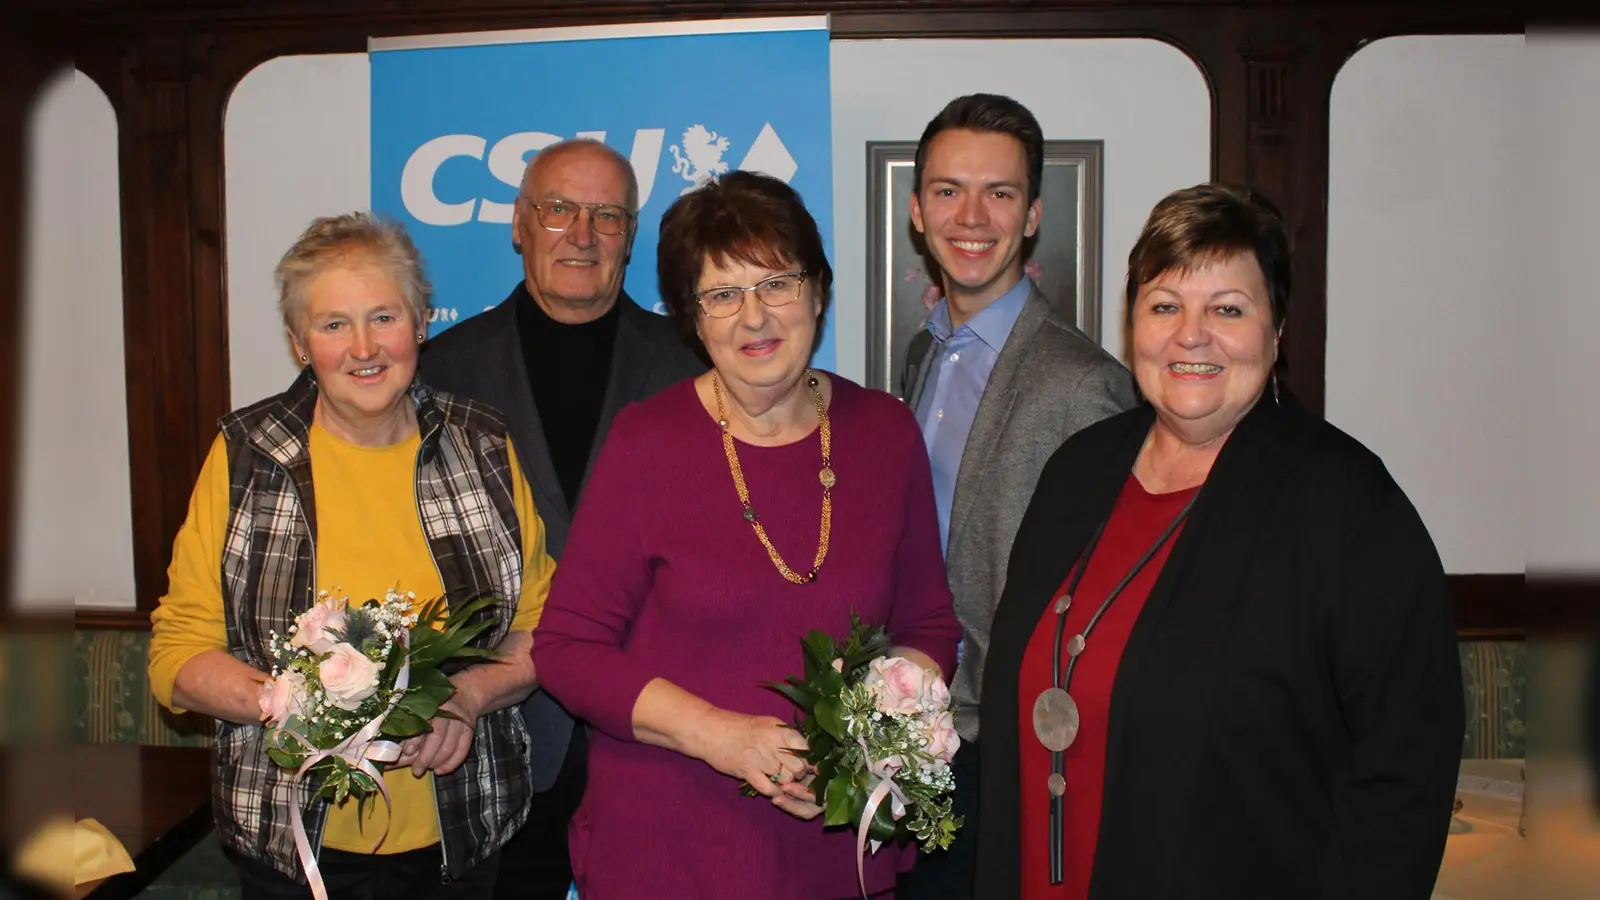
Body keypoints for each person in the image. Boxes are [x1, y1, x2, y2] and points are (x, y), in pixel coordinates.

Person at [976, 183, 1464, 899]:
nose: (1190, 335)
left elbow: (1405, 772)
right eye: (1164, 305)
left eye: (1227, 310)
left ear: (1277, 328)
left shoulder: (1348, 505)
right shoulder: (1078, 470)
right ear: (1131, 322)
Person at [530, 170, 961, 900]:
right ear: (694, 321)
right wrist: (716, 734)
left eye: (776, 285)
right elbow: (566, 649)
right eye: (722, 295)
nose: (753, 317)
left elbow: (927, 625)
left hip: (835, 851)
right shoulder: (647, 442)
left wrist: (866, 750)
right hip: (668, 853)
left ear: (818, 293)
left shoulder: (884, 434)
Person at [148, 212, 556, 898]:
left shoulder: (482, 443)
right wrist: (289, 701)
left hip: (459, 836)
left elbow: (545, 625)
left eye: (384, 316)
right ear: (298, 343)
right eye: (333, 324)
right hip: (294, 849)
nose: (363, 347)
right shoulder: (247, 455)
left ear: (421, 320)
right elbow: (177, 656)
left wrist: (465, 697)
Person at [420, 138, 703, 899]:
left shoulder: (696, 369)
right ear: (519, 223)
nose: (583, 234)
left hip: (653, 737)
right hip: (498, 739)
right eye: (559, 210)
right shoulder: (439, 372)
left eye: (607, 214)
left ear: (631, 235)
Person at [896, 93, 1138, 900]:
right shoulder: (922, 357)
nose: (972, 215)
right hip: (918, 739)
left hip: (1012, 757)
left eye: (999, 193)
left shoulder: (1086, 386)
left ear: (1032, 215)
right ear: (917, 208)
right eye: (947, 190)